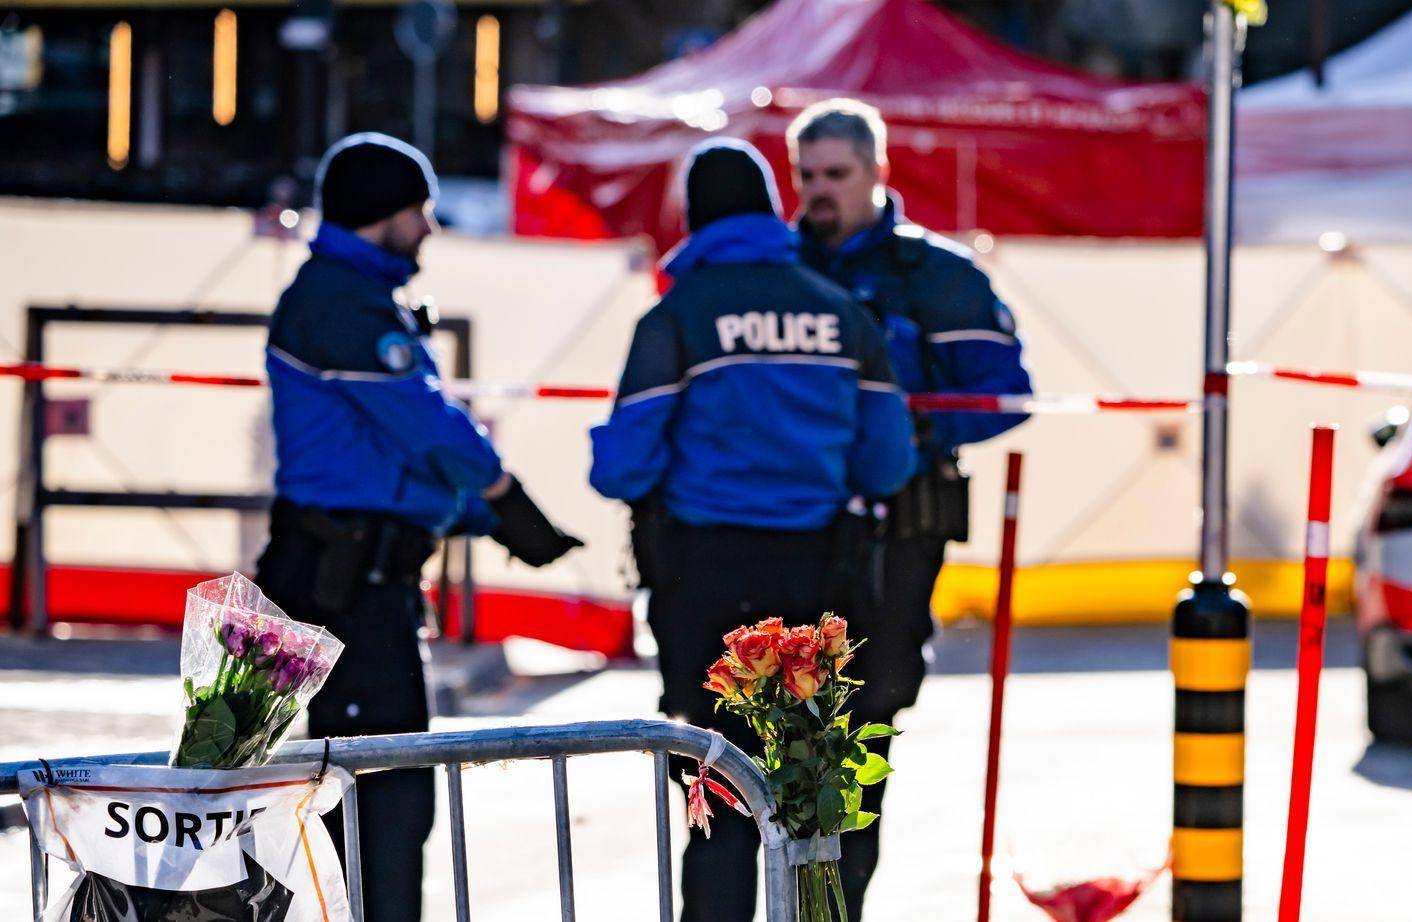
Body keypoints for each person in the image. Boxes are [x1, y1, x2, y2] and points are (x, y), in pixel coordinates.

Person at [255, 132, 583, 922]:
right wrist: (504, 493)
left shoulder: (352, 295)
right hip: (348, 581)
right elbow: (427, 427)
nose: (429, 228)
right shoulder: (342, 300)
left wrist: (480, 517)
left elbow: (384, 453)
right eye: (419, 210)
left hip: (349, 566)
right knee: (384, 793)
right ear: (382, 213)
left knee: (362, 787)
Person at [588, 137, 916, 922]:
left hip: (707, 589)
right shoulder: (842, 315)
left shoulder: (677, 317)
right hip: (823, 587)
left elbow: (622, 470)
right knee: (818, 793)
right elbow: (887, 463)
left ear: (694, 218)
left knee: (719, 795)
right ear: (773, 211)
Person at [787, 97, 1031, 915]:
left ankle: (837, 908)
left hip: (897, 539)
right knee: (779, 743)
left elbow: (1006, 397)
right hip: (787, 536)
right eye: (806, 174)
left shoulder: (941, 277)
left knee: (863, 734)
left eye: (836, 175)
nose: (818, 191)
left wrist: (903, 423)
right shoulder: (774, 270)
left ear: (878, 172)